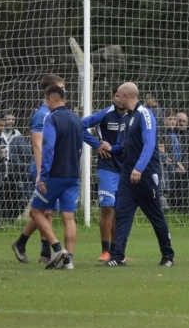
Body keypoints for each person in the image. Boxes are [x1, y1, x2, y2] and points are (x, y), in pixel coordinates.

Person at [103, 82, 175, 267]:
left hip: (145, 175)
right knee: (122, 213)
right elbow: (122, 147)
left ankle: (168, 255)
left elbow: (149, 144)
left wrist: (139, 168)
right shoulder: (127, 118)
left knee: (155, 215)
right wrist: (111, 148)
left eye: (118, 95)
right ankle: (117, 256)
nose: (116, 99)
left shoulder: (145, 114)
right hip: (128, 176)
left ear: (126, 96)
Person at [11, 74, 66, 264]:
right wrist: (41, 172)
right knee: (44, 211)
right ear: (52, 90)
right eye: (61, 86)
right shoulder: (42, 114)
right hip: (43, 169)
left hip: (53, 169)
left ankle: (24, 244)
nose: (64, 90)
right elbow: (37, 145)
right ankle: (46, 252)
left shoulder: (54, 113)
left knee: (44, 211)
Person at [29, 86, 85, 270]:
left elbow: (49, 148)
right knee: (68, 217)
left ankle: (58, 248)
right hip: (73, 174)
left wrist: (43, 176)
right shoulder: (77, 119)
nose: (46, 103)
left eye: (47, 100)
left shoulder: (52, 118)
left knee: (36, 212)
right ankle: (69, 261)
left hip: (55, 175)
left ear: (52, 98)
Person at [82, 86, 127, 262]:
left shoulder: (133, 116)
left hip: (126, 168)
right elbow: (81, 126)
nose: (118, 99)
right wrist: (96, 144)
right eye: (115, 95)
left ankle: (117, 252)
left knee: (120, 210)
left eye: (121, 96)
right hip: (107, 167)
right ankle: (105, 251)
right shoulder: (105, 114)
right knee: (107, 208)